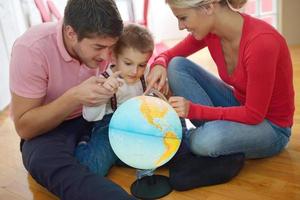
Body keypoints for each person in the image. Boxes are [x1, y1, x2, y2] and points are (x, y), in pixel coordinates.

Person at [147, 0, 294, 191]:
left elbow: (254, 115)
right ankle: (221, 146)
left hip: (271, 127)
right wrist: (159, 62)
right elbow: (169, 55)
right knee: (176, 65)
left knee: (205, 142)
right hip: (239, 106)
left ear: (208, 7)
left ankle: (193, 141)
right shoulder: (211, 32)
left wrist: (195, 110)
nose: (181, 26)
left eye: (183, 18)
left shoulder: (262, 43)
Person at [9, 0, 138, 199]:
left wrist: (160, 64)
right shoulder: (31, 49)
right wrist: (74, 96)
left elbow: (139, 52)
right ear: (71, 33)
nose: (106, 56)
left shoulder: (107, 37)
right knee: (45, 162)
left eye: (111, 47)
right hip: (52, 126)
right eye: (98, 47)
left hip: (101, 115)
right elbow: (25, 127)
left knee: (148, 124)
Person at [74, 23, 154, 176]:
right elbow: (89, 116)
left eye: (142, 65)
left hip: (137, 123)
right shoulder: (103, 81)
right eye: (128, 63)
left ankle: (120, 156)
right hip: (109, 126)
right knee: (93, 168)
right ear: (114, 57)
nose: (135, 71)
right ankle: (85, 143)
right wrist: (104, 92)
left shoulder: (147, 74)